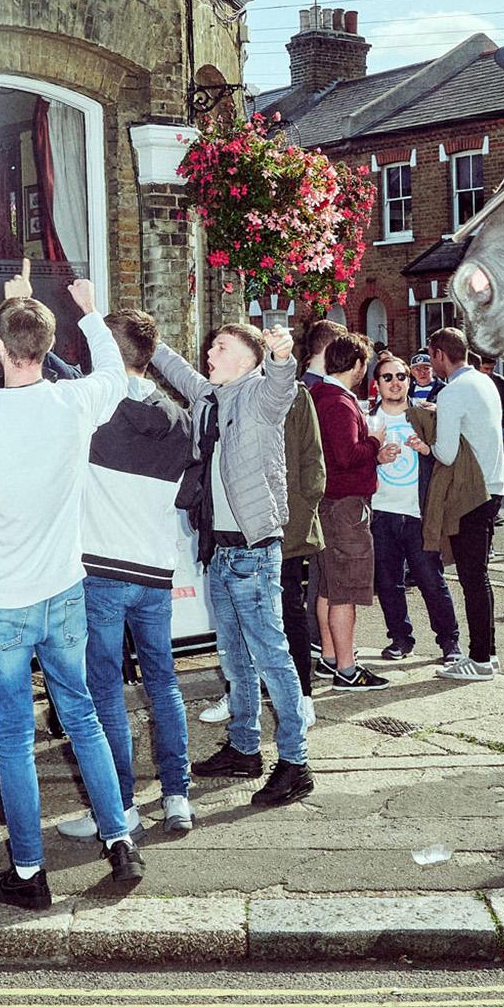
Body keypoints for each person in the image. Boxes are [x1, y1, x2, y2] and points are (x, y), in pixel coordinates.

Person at [0, 282, 146, 908]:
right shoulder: (74, 402)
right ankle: (120, 841)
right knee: (82, 716)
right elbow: (114, 372)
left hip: (3, 600)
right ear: (49, 347)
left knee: (15, 738)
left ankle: (28, 873)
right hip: (64, 593)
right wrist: (91, 309)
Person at [153, 320, 315, 798]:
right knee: (235, 657)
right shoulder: (212, 397)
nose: (210, 352)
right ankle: (245, 749)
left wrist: (281, 355)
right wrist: (144, 339)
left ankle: (296, 763)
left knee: (272, 657)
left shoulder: (260, 395)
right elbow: (177, 370)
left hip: (254, 552)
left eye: (220, 347)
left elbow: (283, 385)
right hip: (221, 552)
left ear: (246, 359)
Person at [57, 309, 197, 837]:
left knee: (106, 692)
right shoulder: (180, 419)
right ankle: (177, 797)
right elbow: (187, 493)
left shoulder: (94, 412)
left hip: (101, 569)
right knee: (164, 684)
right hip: (156, 570)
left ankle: (120, 809)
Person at [308, 332, 391, 690]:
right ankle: (346, 669)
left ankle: (329, 658)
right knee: (345, 591)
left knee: (328, 586)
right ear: (357, 365)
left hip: (326, 504)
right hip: (345, 508)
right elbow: (346, 456)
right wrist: (374, 442)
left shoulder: (319, 394)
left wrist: (372, 453)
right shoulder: (339, 402)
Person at [366, 353, 460, 662]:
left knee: (431, 580)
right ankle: (400, 639)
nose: (395, 383)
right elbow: (354, 462)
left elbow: (449, 458)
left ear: (409, 381)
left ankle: (449, 642)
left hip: (420, 513)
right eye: (387, 377)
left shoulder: (426, 415)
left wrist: (428, 450)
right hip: (382, 513)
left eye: (401, 376)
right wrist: (376, 457)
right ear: (377, 384)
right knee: (388, 583)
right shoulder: (368, 420)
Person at [425, 326, 504, 679]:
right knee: (480, 576)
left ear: (440, 354)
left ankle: (480, 660)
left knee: (473, 579)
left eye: (432, 357)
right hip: (494, 486)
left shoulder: (452, 392)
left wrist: (425, 442)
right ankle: (489, 652)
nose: (432, 364)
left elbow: (445, 452)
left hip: (470, 491)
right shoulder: (485, 382)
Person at [278, 374, 327, 723]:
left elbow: (313, 456)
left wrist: (304, 506)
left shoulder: (296, 394)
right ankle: (239, 692)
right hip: (242, 525)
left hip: (289, 523)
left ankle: (302, 693)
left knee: (290, 608)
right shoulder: (228, 391)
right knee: (241, 616)